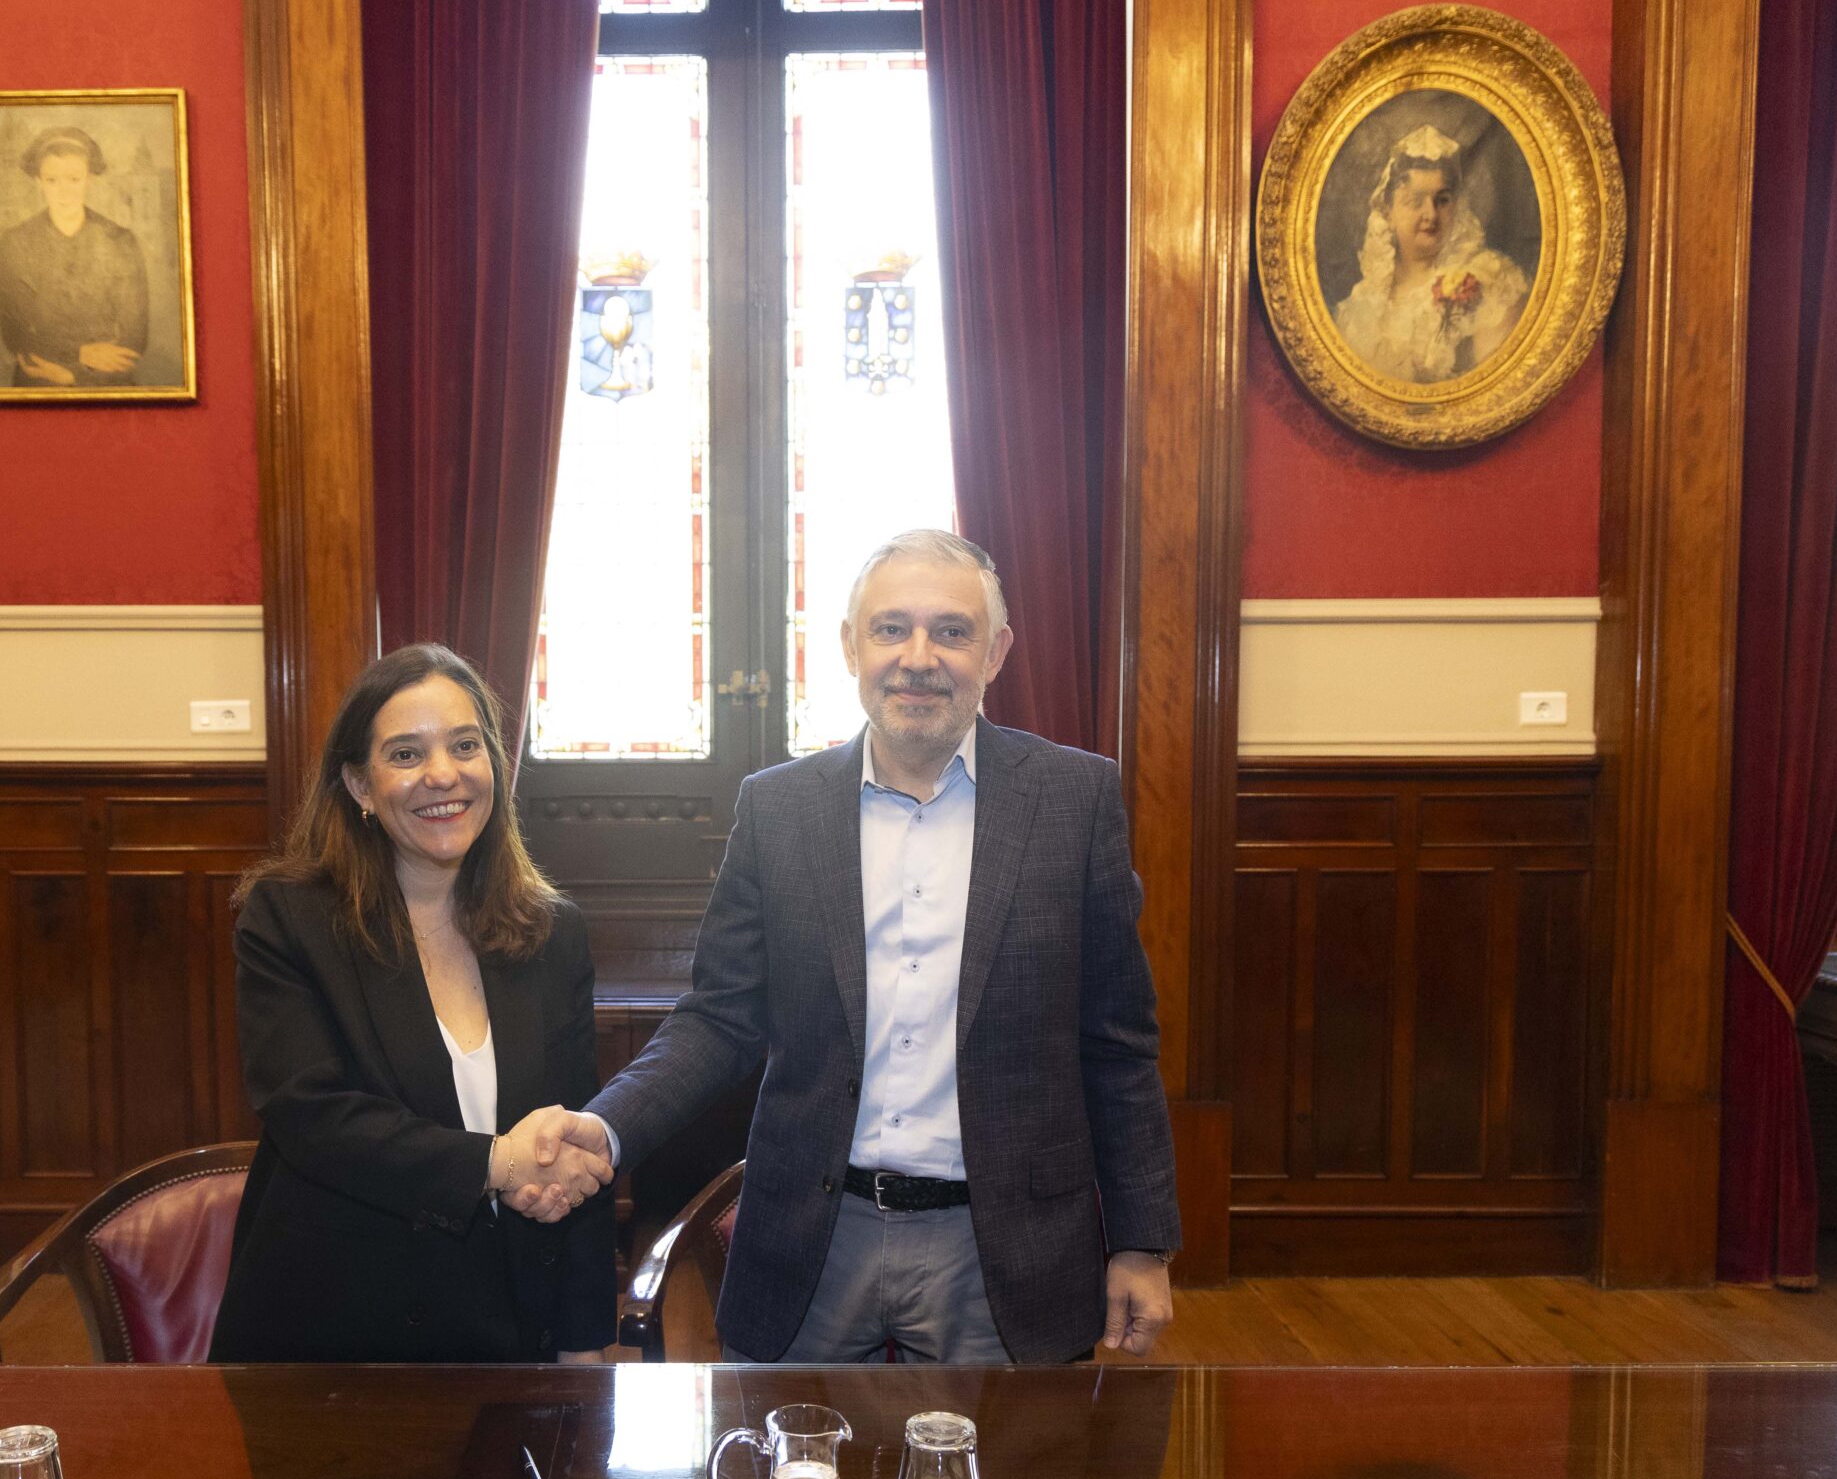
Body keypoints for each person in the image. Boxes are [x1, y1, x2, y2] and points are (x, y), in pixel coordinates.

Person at [513, 529, 1178, 1364]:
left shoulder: (1076, 800)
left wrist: (1141, 1242)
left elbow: (1117, 1044)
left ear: (998, 650)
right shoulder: (777, 810)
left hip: (1007, 1245)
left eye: (952, 630)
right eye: (891, 628)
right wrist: (603, 1132)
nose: (919, 657)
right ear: (850, 646)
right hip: (812, 1239)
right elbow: (718, 1020)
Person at [208, 644, 618, 1363]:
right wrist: (496, 1163)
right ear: (359, 785)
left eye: (465, 745)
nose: (443, 775)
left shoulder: (553, 932)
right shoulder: (288, 917)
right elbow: (313, 1115)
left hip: (507, 1336)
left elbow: (572, 1140)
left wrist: (583, 1347)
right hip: (336, 1337)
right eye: (406, 753)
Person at [1329, 124, 1530, 385]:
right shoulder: (1359, 308)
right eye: (1415, 201)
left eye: (1443, 200)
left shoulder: (1490, 279)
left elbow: (1496, 387)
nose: (1431, 214)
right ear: (1388, 212)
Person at [0, 126, 149, 388]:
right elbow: (15, 336)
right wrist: (79, 354)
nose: (63, 191)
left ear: (89, 179)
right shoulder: (15, 243)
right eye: (52, 180)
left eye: (74, 179)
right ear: (38, 182)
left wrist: (74, 376)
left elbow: (134, 340)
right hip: (38, 381)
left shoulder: (121, 241)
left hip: (109, 383)